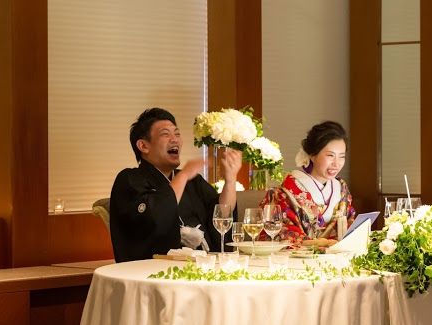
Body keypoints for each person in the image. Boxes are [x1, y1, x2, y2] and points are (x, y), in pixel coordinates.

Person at [110, 108, 242, 262]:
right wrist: (184, 175)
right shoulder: (129, 179)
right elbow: (155, 217)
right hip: (154, 270)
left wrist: (230, 180)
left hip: (201, 266)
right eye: (165, 134)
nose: (175, 140)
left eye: (177, 134)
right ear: (143, 146)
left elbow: (221, 216)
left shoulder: (193, 181)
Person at [262, 120, 356, 245]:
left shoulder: (341, 189)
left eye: (342, 156)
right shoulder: (284, 192)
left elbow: (350, 225)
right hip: (300, 256)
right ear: (312, 155)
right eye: (330, 155)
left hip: (338, 254)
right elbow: (280, 233)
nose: (336, 163)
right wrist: (319, 244)